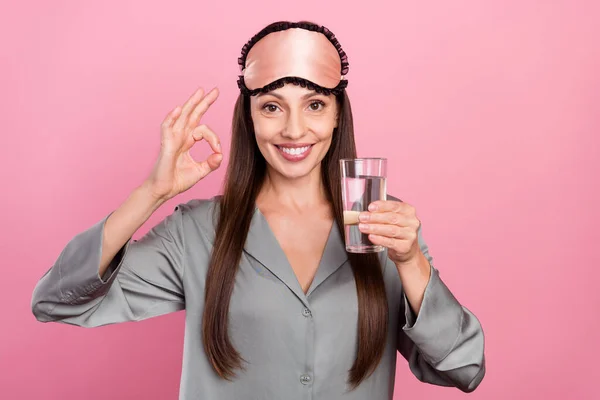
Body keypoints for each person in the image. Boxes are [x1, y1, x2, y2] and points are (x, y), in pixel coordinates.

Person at [31, 20, 485, 399]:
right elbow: (55, 302)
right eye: (271, 106)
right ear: (248, 116)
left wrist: (412, 262)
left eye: (314, 105)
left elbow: (464, 368)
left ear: (336, 116)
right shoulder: (196, 232)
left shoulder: (385, 225)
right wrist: (151, 193)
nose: (293, 129)